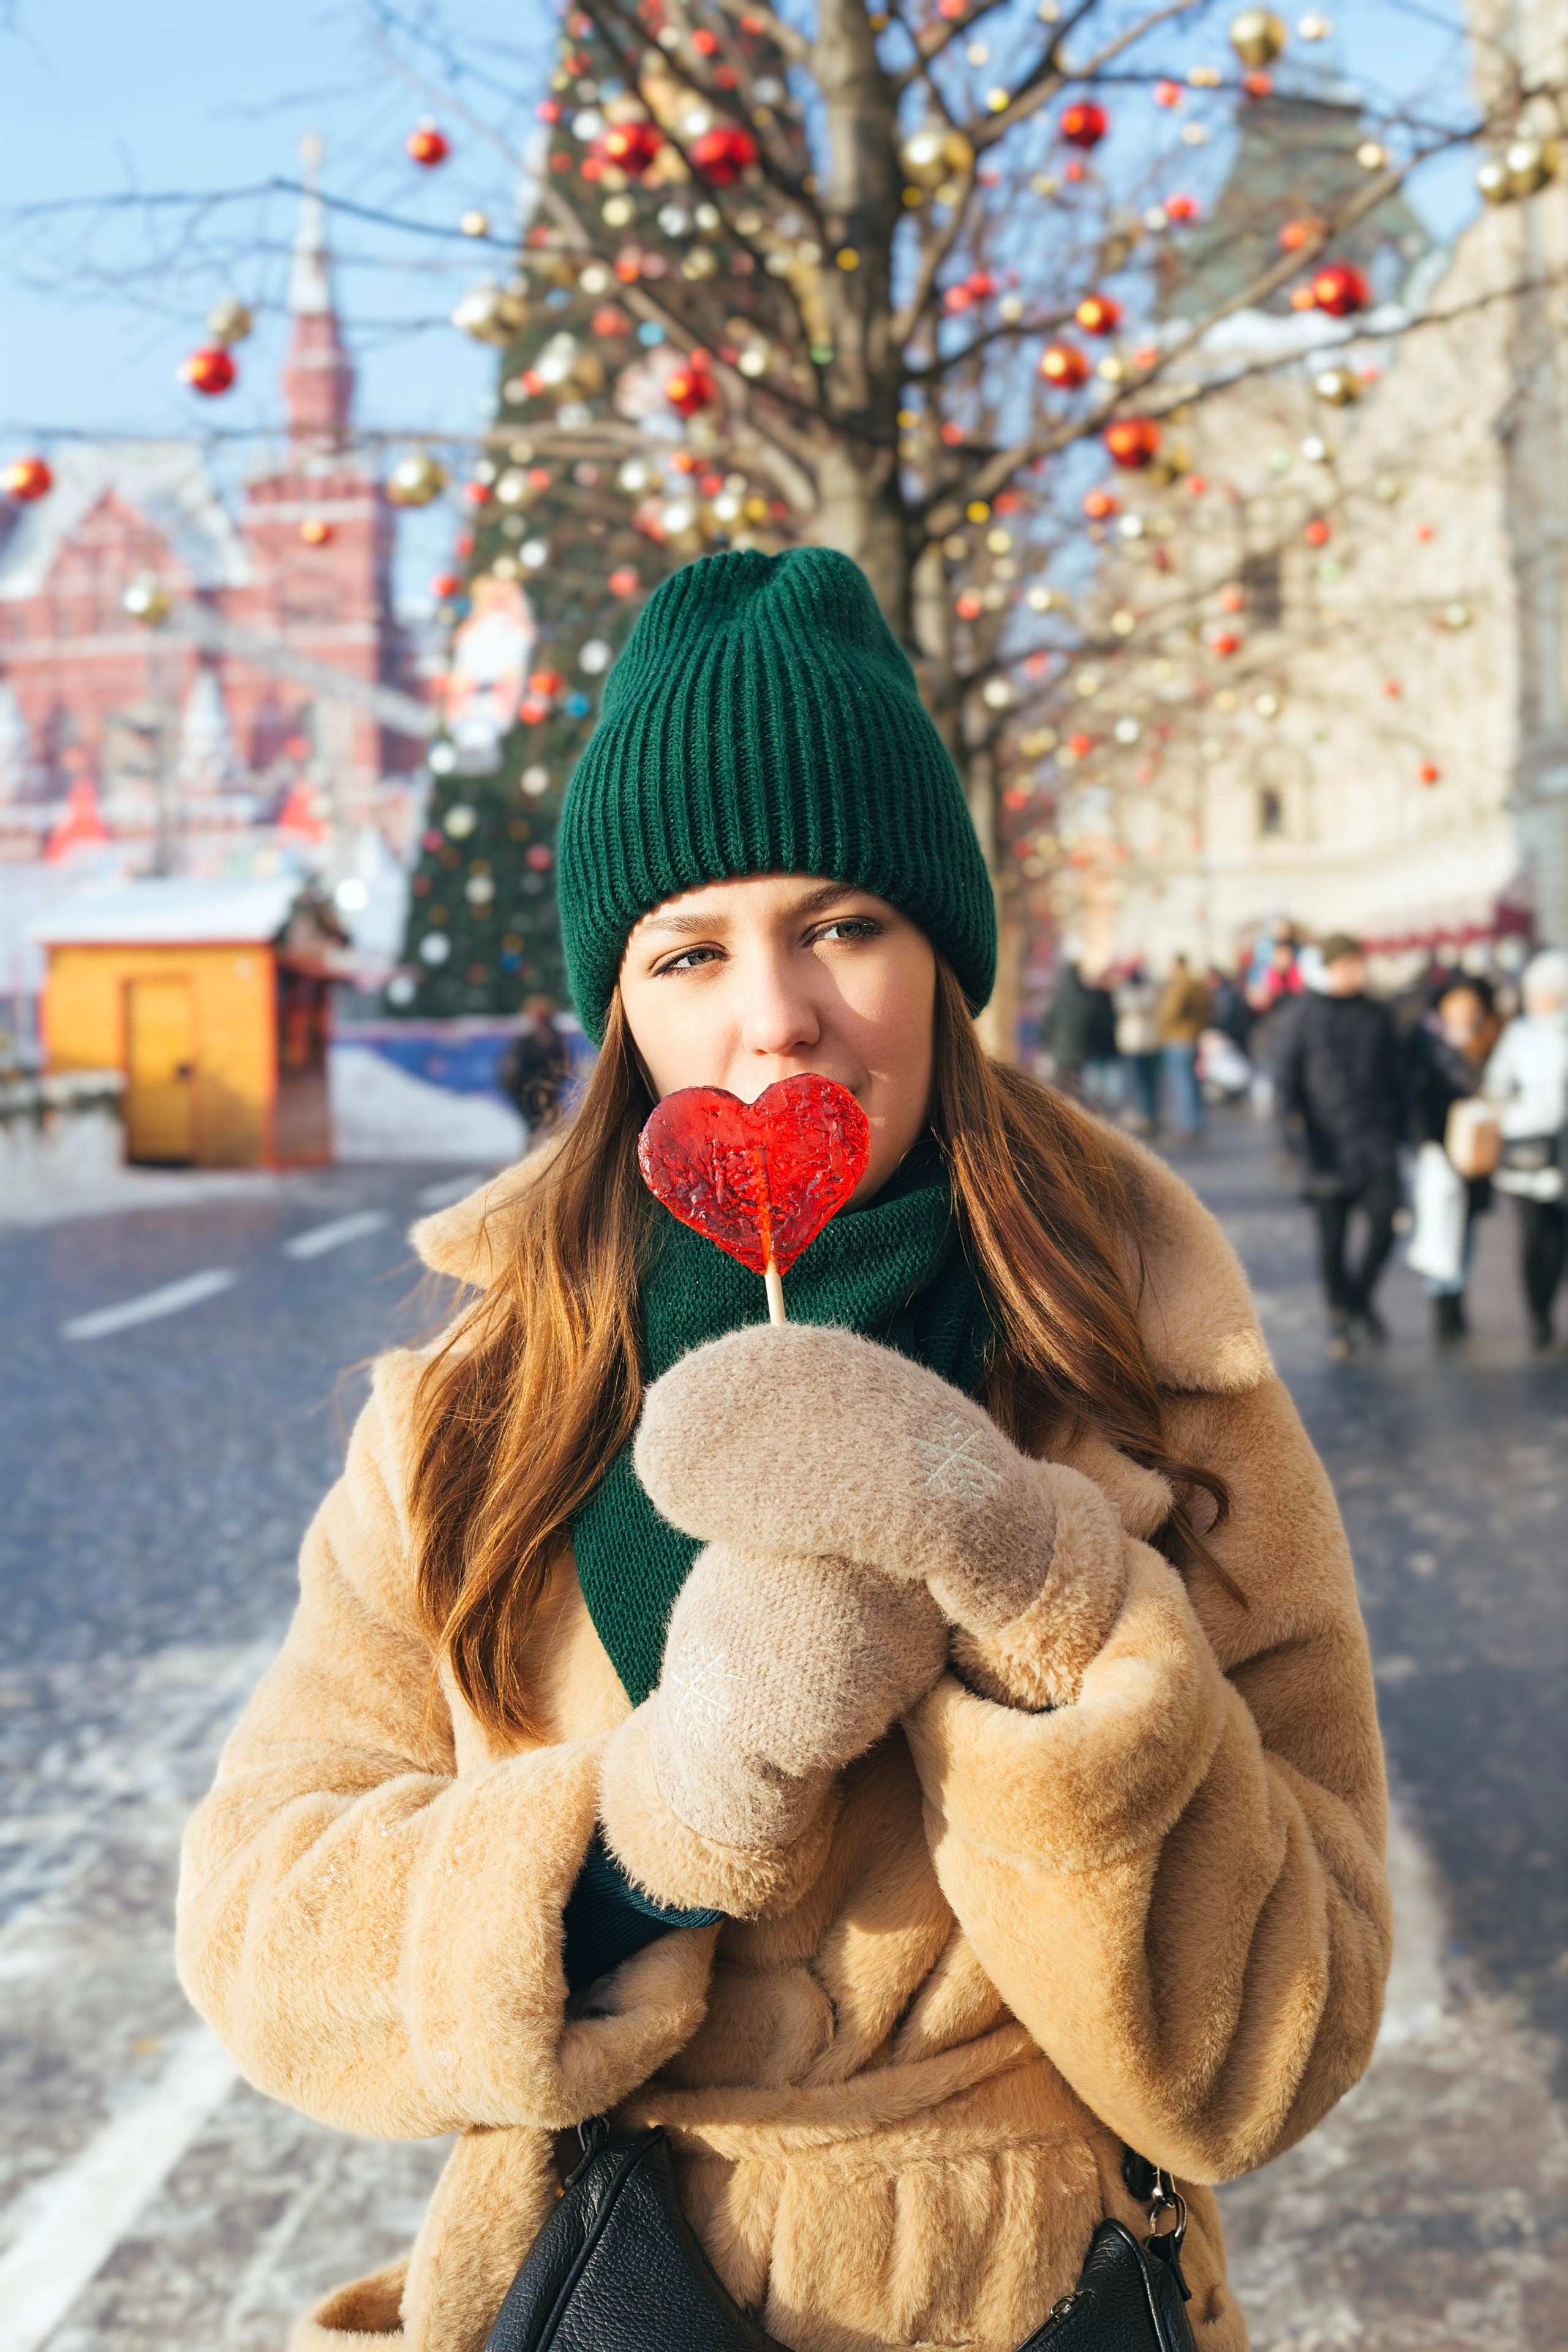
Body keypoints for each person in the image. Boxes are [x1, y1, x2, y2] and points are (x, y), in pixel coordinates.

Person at [177, 549, 1390, 2352]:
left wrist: (1031, 1578)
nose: (773, 1013)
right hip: (608, 2277)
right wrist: (661, 1821)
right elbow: (265, 1930)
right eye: (690, 949)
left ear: (939, 958)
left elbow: (1280, 2037)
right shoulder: (472, 1415)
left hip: (1038, 2284)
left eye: (840, 924)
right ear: (622, 1009)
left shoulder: (1154, 1374)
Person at [1273, 934, 1404, 1359]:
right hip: (1323, 1146)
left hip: (1373, 1142)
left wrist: (1405, 1129)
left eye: (1359, 965)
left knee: (1385, 1226)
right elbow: (1285, 1081)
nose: (1356, 974)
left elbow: (1395, 1073)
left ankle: (1360, 1297)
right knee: (1333, 1241)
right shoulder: (1301, 1014)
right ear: (1328, 969)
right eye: (1347, 966)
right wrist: (1288, 1138)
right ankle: (1339, 1317)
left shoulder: (1377, 1013)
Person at [1406, 976, 1501, 1343]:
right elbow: (1415, 1095)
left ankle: (1457, 1296)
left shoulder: (1488, 1040)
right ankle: (1442, 1301)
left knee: (1467, 1228)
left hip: (1476, 1152)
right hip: (1438, 1148)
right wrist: (1421, 1145)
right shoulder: (1426, 1043)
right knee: (1439, 1226)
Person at [1484, 948, 1568, 1350]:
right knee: (1536, 1239)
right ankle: (1539, 1315)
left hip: (1564, 1152)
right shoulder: (1519, 1034)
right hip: (1529, 1152)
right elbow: (1497, 1082)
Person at [1039, 955, 1118, 1103]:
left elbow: (1046, 1023)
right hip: (1081, 1054)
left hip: (1059, 1054)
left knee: (1060, 1089)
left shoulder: (1057, 1000)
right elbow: (1095, 1026)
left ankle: (1062, 1115)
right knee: (1079, 1090)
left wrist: (1045, 1046)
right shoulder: (1086, 999)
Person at [497, 993, 572, 1132]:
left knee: (551, 1127)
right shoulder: (524, 1040)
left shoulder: (555, 1039)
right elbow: (513, 1067)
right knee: (534, 1128)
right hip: (525, 1091)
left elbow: (565, 1064)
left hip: (549, 1090)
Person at [1156, 953, 1212, 1140]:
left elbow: (1171, 1011)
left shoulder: (1181, 985)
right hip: (1192, 1037)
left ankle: (1186, 1126)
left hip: (1177, 1039)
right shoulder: (1198, 985)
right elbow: (1208, 1008)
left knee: (1182, 1084)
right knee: (1192, 1084)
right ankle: (1195, 1122)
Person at [1113, 961, 1162, 1132]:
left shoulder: (1149, 992)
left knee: (1147, 1084)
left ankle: (1149, 1117)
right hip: (1133, 1045)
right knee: (1136, 1083)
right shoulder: (1127, 992)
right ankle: (1140, 1116)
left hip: (1147, 1044)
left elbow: (1139, 1006)